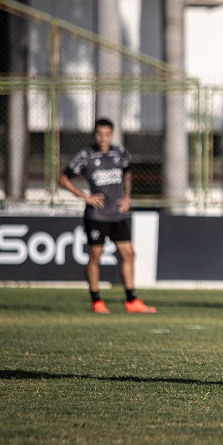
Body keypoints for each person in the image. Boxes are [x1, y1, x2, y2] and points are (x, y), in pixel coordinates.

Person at [58, 118, 155, 314]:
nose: (103, 138)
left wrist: (127, 196)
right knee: (96, 256)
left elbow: (127, 173)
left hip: (117, 214)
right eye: (99, 134)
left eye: (107, 134)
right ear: (94, 134)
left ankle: (131, 300)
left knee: (129, 254)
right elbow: (63, 178)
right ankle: (97, 301)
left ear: (112, 134)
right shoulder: (86, 155)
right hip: (97, 215)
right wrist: (86, 197)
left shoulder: (118, 152)